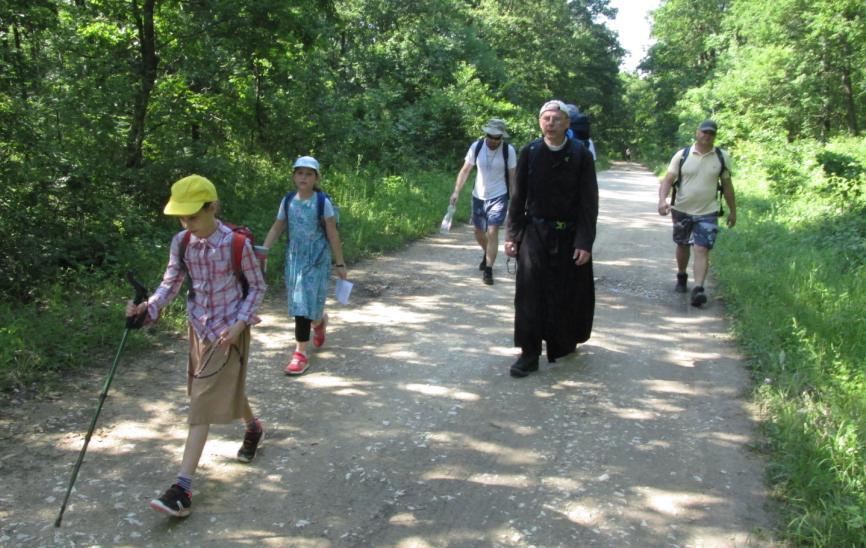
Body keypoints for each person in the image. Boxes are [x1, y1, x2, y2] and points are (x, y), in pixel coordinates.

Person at [126, 174, 267, 518]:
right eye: (182, 217)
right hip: (199, 328)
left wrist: (239, 324)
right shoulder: (182, 242)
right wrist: (148, 311)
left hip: (228, 333)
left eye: (193, 216)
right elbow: (170, 283)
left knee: (202, 401)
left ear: (213, 207)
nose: (187, 223)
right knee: (214, 390)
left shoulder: (236, 244)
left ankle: (182, 489)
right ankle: (253, 426)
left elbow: (258, 287)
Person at [504, 100, 598, 378]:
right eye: (546, 118)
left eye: (557, 119)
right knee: (529, 294)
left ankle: (562, 343)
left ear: (567, 124)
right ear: (539, 122)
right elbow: (518, 198)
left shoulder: (581, 155)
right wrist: (512, 236)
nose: (551, 123)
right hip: (534, 233)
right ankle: (528, 354)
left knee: (565, 292)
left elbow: (588, 203)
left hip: (569, 234)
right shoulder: (530, 152)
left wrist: (584, 241)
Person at [262, 156, 347, 375]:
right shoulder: (288, 200)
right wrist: (263, 251)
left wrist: (340, 262)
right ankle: (300, 354)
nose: (303, 177)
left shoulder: (322, 202)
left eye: (309, 174)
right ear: (293, 176)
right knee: (300, 305)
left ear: (316, 178)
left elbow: (332, 233)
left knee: (311, 305)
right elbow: (277, 227)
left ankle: (318, 322)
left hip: (318, 260)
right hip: (295, 261)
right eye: (300, 173)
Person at [658, 119, 736, 306]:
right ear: (697, 132)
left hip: (708, 211)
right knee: (682, 244)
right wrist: (662, 200)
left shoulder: (721, 157)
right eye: (704, 132)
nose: (707, 136)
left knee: (702, 248)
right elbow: (668, 180)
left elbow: (727, 186)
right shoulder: (682, 155)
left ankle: (699, 288)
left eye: (711, 133)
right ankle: (682, 275)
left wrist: (733, 211)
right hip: (682, 209)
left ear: (714, 136)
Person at [451, 118, 517, 285]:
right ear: (486, 134)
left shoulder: (508, 151)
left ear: (502, 137)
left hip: (499, 195)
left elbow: (512, 177)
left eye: (497, 137)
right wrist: (456, 191)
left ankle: (488, 270)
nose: (493, 140)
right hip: (478, 196)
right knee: (479, 232)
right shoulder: (476, 147)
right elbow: (465, 170)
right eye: (490, 136)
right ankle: (487, 252)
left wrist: (515, 200)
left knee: (493, 231)